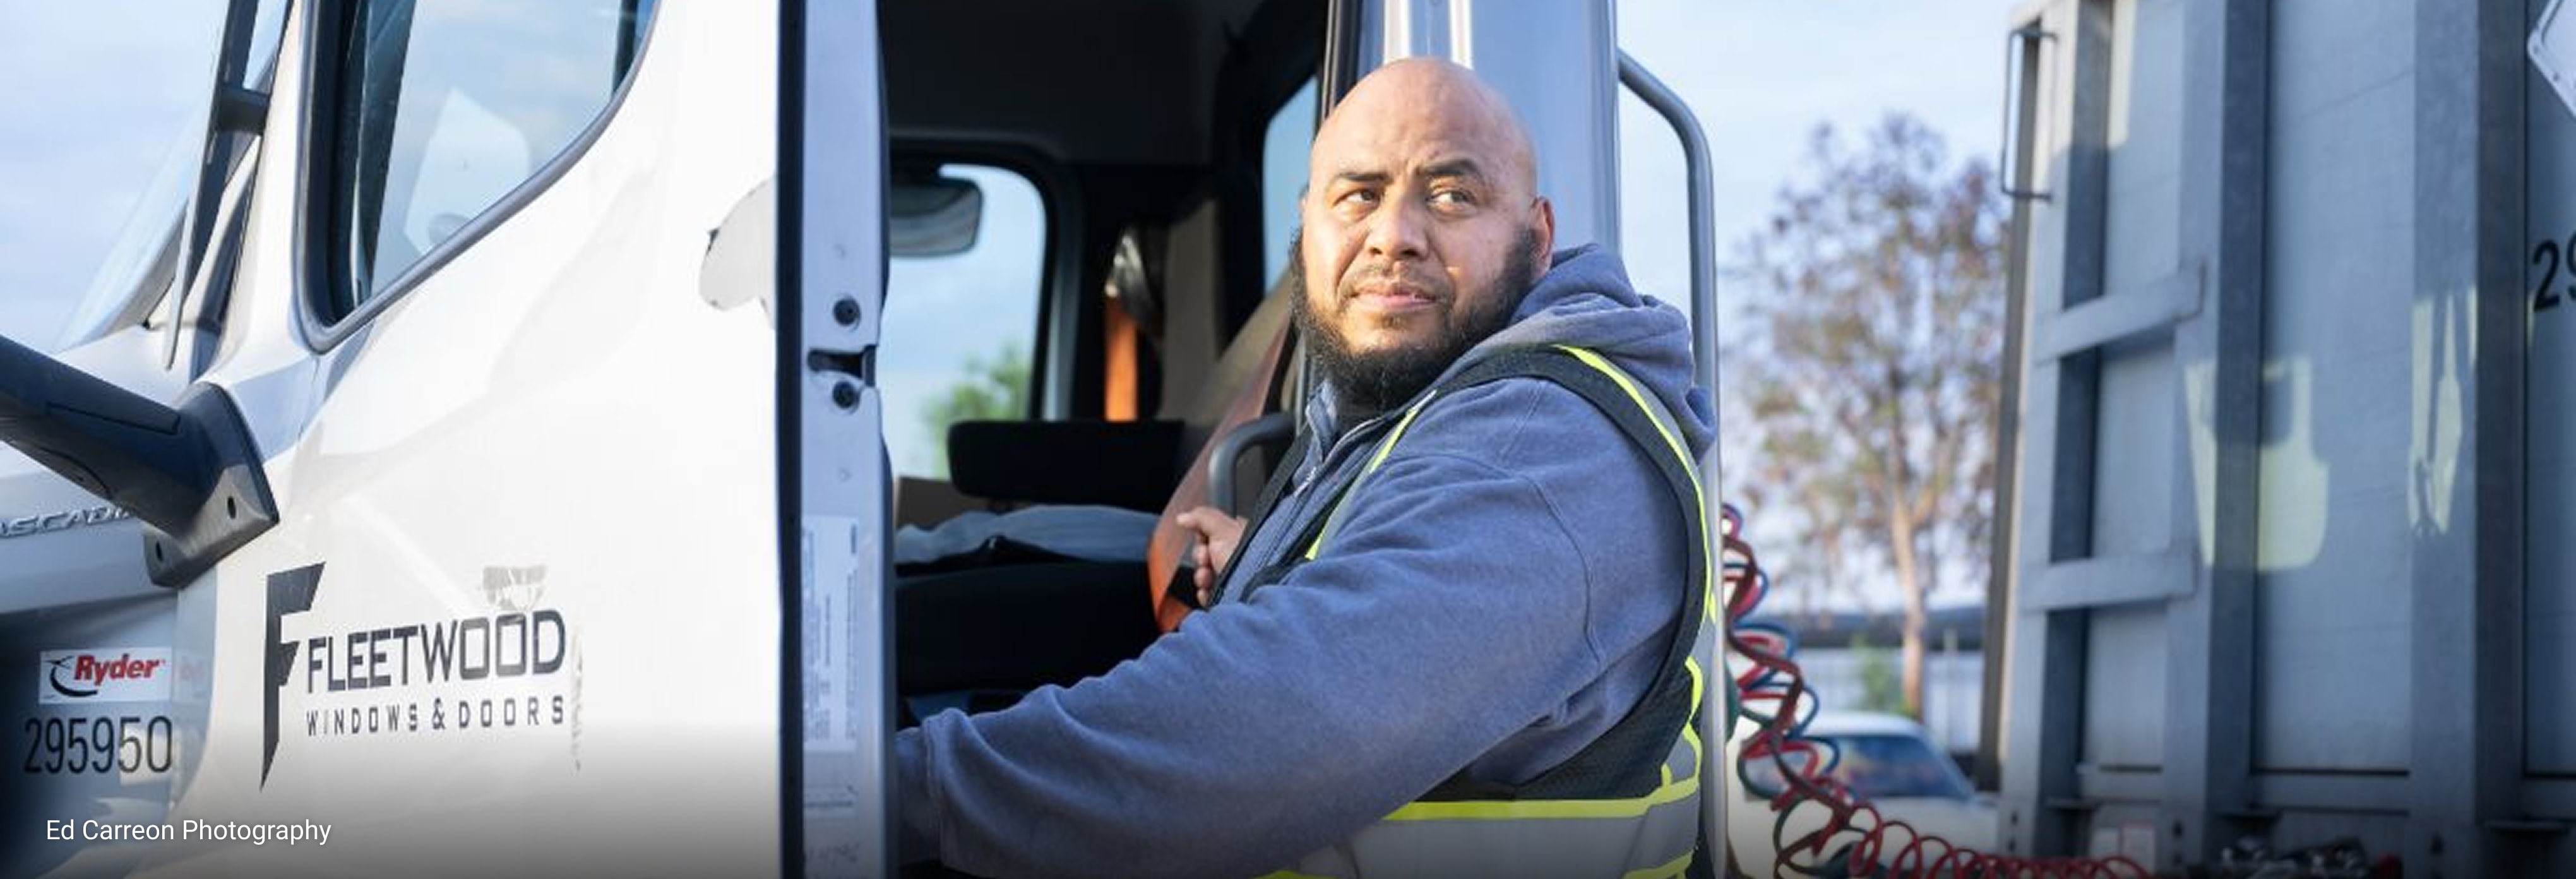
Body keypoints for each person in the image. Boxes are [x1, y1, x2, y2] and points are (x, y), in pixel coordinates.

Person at [895, 57, 1717, 879]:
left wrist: (882, 795)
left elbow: (1244, 738)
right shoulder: (1404, 408)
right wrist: (1275, 562)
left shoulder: (1536, 450)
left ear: (1536, 238)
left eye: (1451, 194)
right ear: (1307, 231)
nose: (1393, 235)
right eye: (1357, 194)